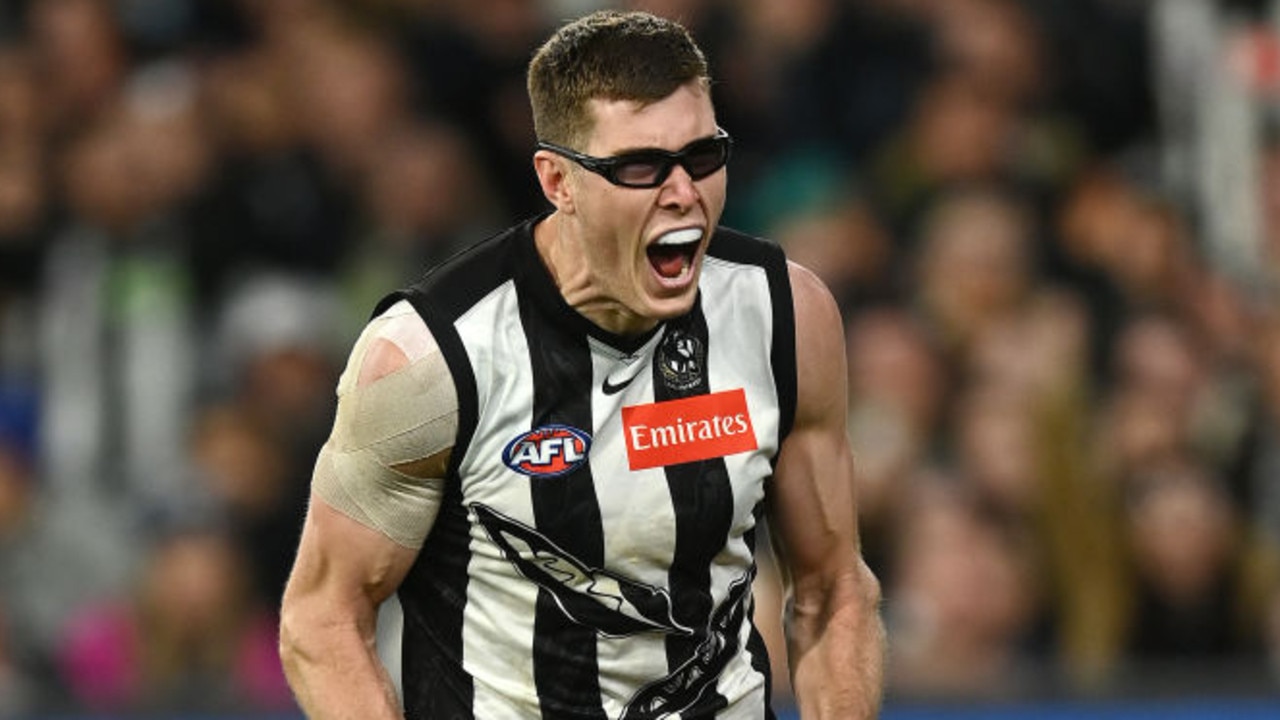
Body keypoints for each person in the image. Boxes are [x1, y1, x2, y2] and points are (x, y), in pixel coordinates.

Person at [278, 10, 884, 719]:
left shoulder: (786, 315)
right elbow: (321, 621)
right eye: (640, 167)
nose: (683, 192)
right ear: (557, 181)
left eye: (703, 156)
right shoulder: (428, 357)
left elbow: (832, 588)